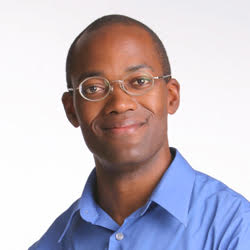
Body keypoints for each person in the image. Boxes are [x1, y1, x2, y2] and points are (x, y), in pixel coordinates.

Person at [29, 14, 250, 250]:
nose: (120, 103)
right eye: (93, 88)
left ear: (171, 96)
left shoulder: (234, 227)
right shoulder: (56, 243)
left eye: (139, 81)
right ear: (71, 109)